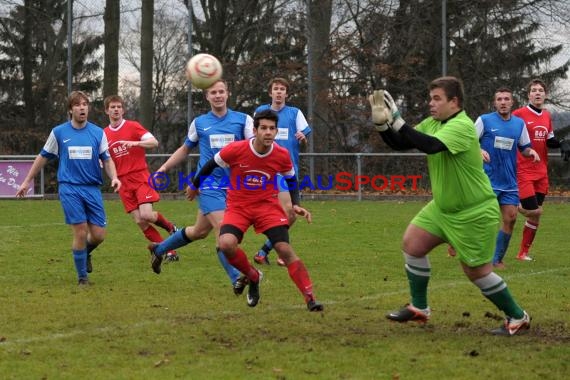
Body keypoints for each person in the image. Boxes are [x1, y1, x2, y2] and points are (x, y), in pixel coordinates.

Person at [368, 76, 529, 335]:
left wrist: (397, 119)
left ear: (454, 102)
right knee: (412, 245)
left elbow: (432, 146)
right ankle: (420, 307)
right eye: (430, 98)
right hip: (443, 208)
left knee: (476, 272)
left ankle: (517, 316)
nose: (431, 103)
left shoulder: (463, 126)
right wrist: (382, 125)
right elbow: (403, 142)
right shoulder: (433, 123)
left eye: (437, 99)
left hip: (473, 211)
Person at [177, 109, 323, 311]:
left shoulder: (281, 154)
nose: (268, 132)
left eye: (272, 128)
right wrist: (194, 185)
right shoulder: (236, 149)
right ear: (255, 130)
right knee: (226, 244)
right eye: (263, 128)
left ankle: (310, 298)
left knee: (284, 249)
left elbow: (291, 180)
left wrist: (295, 203)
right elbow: (210, 165)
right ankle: (253, 277)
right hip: (239, 207)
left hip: (267, 208)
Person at [149, 79, 253, 295]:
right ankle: (236, 277)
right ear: (207, 96)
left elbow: (254, 148)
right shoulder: (199, 123)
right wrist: (164, 167)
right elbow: (185, 149)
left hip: (234, 186)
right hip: (208, 184)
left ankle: (159, 250)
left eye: (221, 91)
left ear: (228, 94)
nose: (217, 95)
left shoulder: (243, 121)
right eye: (213, 92)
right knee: (224, 230)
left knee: (199, 231)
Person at [16, 91, 121, 285]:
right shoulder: (59, 132)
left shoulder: (98, 133)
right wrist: (26, 180)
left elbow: (107, 159)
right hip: (69, 188)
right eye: (78, 105)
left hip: (92, 188)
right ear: (70, 109)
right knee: (80, 231)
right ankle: (83, 278)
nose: (82, 108)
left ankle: (84, 253)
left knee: (98, 235)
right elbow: (43, 157)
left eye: (85, 104)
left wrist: (114, 177)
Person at [103, 95, 179, 263]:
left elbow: (154, 142)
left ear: (123, 110)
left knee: (146, 214)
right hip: (123, 182)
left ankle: (171, 228)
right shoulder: (104, 134)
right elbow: (106, 159)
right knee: (140, 221)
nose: (116, 110)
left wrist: (135, 143)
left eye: (119, 107)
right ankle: (169, 251)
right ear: (107, 110)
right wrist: (110, 173)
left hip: (139, 177)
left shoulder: (133, 127)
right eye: (112, 107)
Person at [475, 87, 539, 268]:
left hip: (509, 182)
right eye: (499, 99)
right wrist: (478, 149)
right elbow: (467, 141)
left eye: (506, 99)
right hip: (487, 180)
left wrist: (531, 151)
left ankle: (497, 259)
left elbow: (524, 147)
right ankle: (465, 248)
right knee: (482, 220)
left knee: (510, 218)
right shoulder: (484, 120)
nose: (503, 102)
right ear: (495, 102)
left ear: (512, 102)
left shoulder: (519, 124)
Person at [252, 77, 312, 266]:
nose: (279, 92)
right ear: (270, 93)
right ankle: (277, 252)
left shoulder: (295, 113)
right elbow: (251, 135)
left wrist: (303, 137)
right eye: (276, 89)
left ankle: (265, 251)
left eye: (282, 89)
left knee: (288, 214)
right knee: (288, 212)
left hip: (288, 171)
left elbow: (304, 136)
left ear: (286, 93)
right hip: (266, 171)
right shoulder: (261, 112)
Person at [512, 79, 564, 261]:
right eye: (534, 90)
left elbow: (549, 139)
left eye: (541, 90)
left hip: (541, 171)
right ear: (528, 95)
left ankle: (523, 253)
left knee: (536, 216)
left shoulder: (547, 115)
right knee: (533, 210)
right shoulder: (519, 114)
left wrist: (563, 144)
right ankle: (509, 205)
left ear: (545, 94)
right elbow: (509, 134)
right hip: (523, 170)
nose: (537, 93)